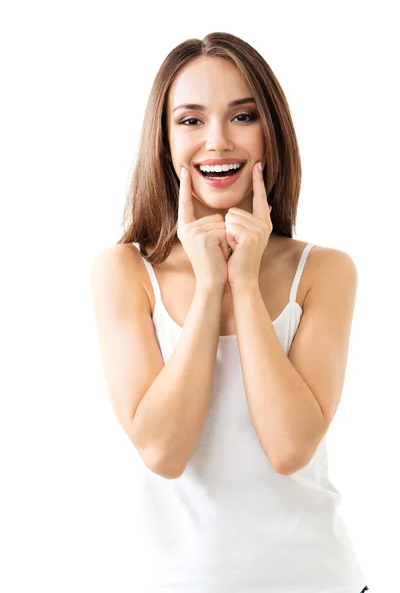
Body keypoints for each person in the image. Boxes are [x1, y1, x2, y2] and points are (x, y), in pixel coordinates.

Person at [91, 32, 369, 593]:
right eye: (190, 121)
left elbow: (290, 448)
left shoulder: (324, 272)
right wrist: (209, 282)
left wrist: (243, 283)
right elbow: (164, 452)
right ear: (164, 139)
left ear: (271, 130)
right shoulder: (124, 272)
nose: (217, 142)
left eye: (242, 116)